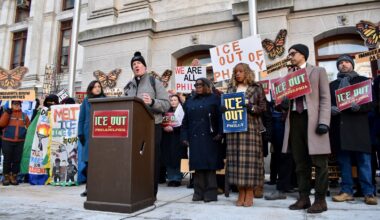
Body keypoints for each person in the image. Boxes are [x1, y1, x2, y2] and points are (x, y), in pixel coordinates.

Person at [280, 44, 331, 213]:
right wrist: (284, 103)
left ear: (303, 54)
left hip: (314, 120)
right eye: (289, 54)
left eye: (292, 53)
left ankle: (321, 200)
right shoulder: (288, 76)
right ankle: (303, 198)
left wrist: (324, 121)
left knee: (320, 163)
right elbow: (282, 100)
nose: (290, 57)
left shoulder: (318, 71)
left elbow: (325, 98)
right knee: (300, 163)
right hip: (294, 120)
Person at [329, 54, 377, 205]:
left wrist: (359, 107)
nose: (343, 65)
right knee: (344, 162)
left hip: (359, 127)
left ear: (352, 65)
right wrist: (330, 109)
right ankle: (346, 191)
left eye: (346, 62)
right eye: (340, 63)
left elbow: (372, 104)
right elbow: (326, 103)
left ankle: (368, 193)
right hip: (340, 128)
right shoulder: (333, 85)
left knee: (364, 161)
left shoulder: (363, 81)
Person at [124, 51, 170, 198]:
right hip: (133, 128)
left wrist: (153, 102)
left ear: (144, 66)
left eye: (138, 63)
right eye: (133, 64)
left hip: (152, 127)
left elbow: (167, 104)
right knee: (135, 160)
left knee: (151, 160)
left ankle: (151, 192)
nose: (136, 66)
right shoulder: (128, 86)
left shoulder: (154, 82)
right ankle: (137, 190)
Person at [224, 63, 266, 207]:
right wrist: (223, 107)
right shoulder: (230, 88)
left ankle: (249, 192)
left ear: (247, 72)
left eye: (241, 71)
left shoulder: (256, 87)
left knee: (250, 162)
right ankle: (241, 191)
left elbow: (262, 108)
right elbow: (225, 107)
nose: (238, 74)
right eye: (236, 72)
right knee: (236, 161)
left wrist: (249, 106)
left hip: (250, 128)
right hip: (233, 129)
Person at [181, 77, 224, 202]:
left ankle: (210, 193)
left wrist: (221, 133)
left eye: (200, 84)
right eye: (196, 85)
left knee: (210, 166)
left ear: (207, 85)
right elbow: (185, 121)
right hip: (195, 138)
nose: (197, 87)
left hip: (211, 138)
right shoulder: (190, 101)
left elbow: (221, 117)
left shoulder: (215, 99)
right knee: (198, 167)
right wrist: (184, 136)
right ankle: (198, 193)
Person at [78, 80, 106, 196]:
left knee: (100, 162)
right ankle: (88, 188)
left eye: (99, 86)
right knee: (89, 163)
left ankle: (101, 187)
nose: (97, 88)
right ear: (91, 89)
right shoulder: (86, 101)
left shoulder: (106, 100)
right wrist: (80, 133)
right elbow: (82, 118)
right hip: (88, 135)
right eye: (95, 87)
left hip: (102, 135)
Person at [0, 100, 30, 186]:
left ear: (20, 105)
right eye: (15, 104)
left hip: (20, 142)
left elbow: (29, 127)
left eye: (18, 104)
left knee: (17, 160)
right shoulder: (7, 113)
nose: (16, 105)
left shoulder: (24, 116)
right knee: (7, 160)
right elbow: (1, 124)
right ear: (12, 105)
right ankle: (6, 177)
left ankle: (14, 177)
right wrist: (6, 113)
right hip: (7, 140)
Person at [161, 94, 186, 187]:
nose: (173, 102)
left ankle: (177, 178)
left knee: (177, 158)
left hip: (178, 138)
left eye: (175, 100)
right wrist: (164, 127)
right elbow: (162, 122)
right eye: (171, 100)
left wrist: (174, 129)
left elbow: (183, 125)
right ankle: (171, 178)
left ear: (178, 101)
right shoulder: (166, 111)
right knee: (169, 158)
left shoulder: (182, 111)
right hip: (168, 138)